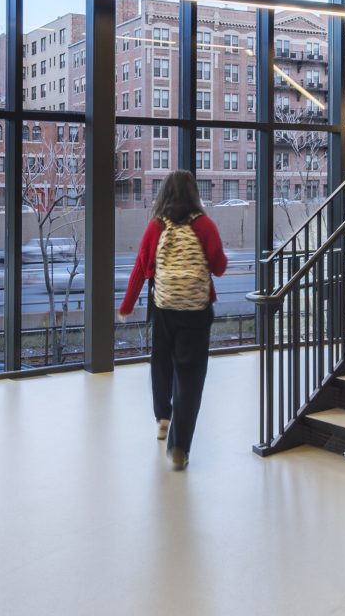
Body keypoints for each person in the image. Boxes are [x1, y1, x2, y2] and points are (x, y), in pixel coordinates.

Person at [118, 171, 228, 470]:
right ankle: (180, 446)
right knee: (190, 377)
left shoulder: (156, 226)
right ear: (194, 194)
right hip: (196, 310)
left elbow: (141, 268)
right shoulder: (204, 225)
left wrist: (127, 304)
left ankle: (162, 418)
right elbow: (219, 268)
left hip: (164, 307)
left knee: (161, 363)